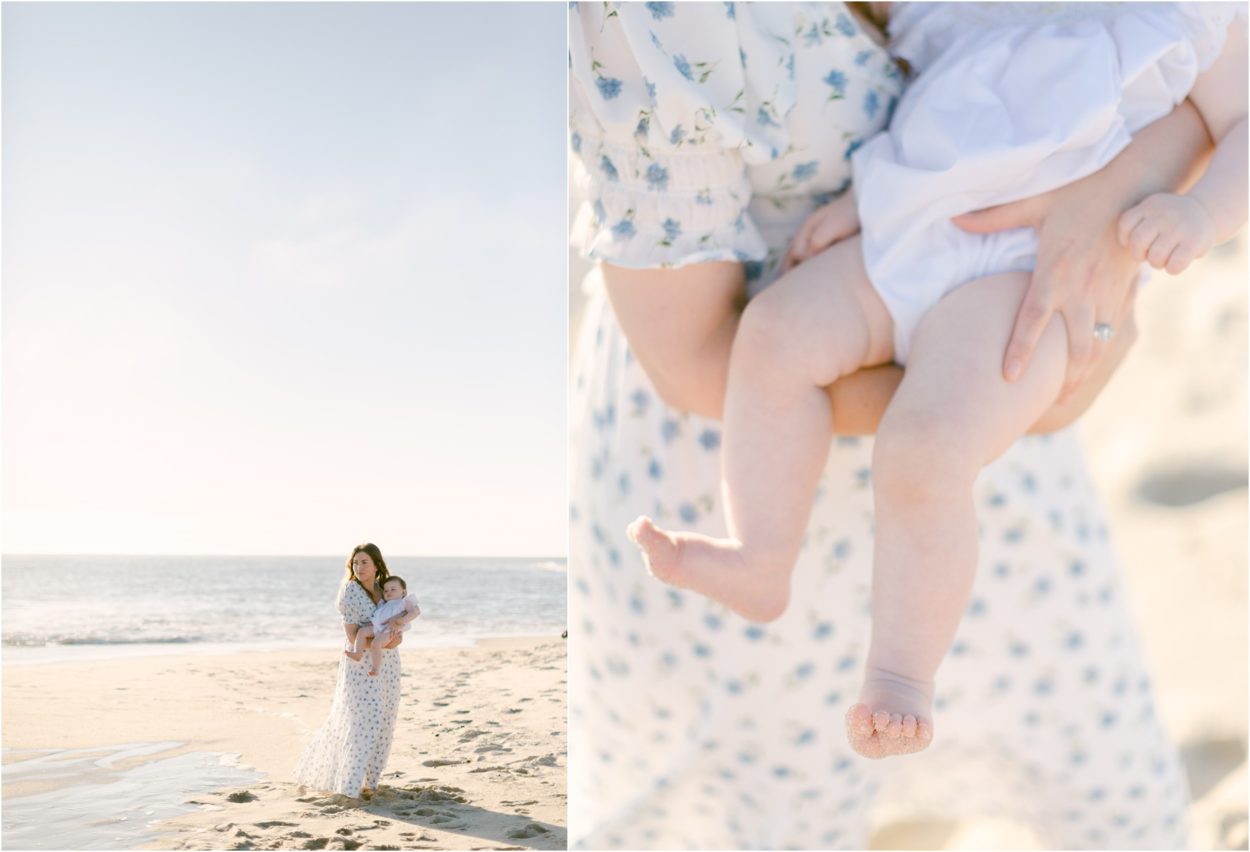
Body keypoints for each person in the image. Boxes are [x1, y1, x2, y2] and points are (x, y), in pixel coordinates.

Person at [568, 3, 1212, 848]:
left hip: (997, 419)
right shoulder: (646, 18)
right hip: (750, 451)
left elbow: (1195, 83)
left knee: (1105, 785)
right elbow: (695, 357)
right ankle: (765, 563)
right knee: (792, 810)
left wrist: (1109, 213)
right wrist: (974, 408)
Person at [295, 543, 404, 799]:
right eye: (355, 563)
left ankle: (371, 782)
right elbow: (353, 635)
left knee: (385, 720)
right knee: (363, 720)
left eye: (365, 562)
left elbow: (398, 625)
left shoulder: (385, 590)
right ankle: (350, 784)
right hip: (360, 665)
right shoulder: (350, 591)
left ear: (377, 564)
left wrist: (394, 640)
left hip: (387, 663)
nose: (359, 567)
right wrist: (386, 641)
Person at [345, 575, 421, 676]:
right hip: (378, 627)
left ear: (403, 592)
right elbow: (378, 615)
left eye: (393, 589)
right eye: (386, 591)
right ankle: (358, 653)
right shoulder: (384, 604)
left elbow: (414, 612)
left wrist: (401, 620)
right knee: (362, 631)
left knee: (376, 644)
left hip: (390, 630)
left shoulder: (404, 602)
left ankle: (375, 668)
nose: (389, 592)